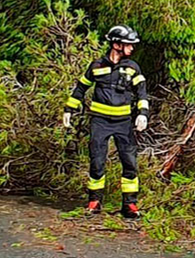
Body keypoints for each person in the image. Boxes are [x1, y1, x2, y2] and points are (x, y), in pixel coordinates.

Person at [63, 25, 150, 219]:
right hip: (99, 122)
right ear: (116, 44)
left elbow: (142, 93)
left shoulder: (132, 68)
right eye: (129, 44)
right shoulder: (96, 66)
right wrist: (69, 108)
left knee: (129, 163)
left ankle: (130, 205)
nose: (132, 48)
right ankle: (94, 202)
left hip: (124, 124)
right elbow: (80, 88)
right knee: (97, 162)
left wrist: (142, 113)